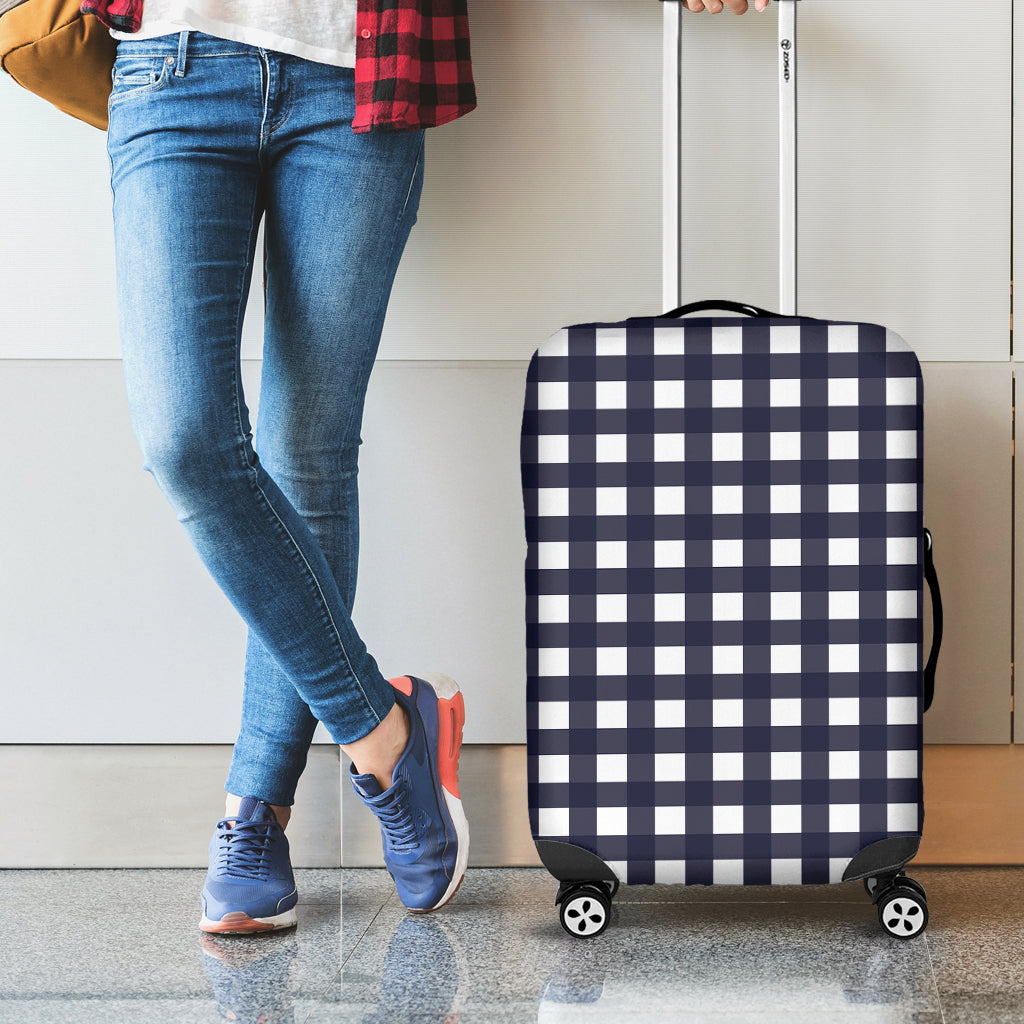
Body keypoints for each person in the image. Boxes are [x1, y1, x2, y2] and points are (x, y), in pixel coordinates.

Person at [87, 0, 476, 933]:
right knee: (184, 442)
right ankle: (386, 730)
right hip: (173, 70)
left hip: (359, 78)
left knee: (307, 456)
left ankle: (255, 812)